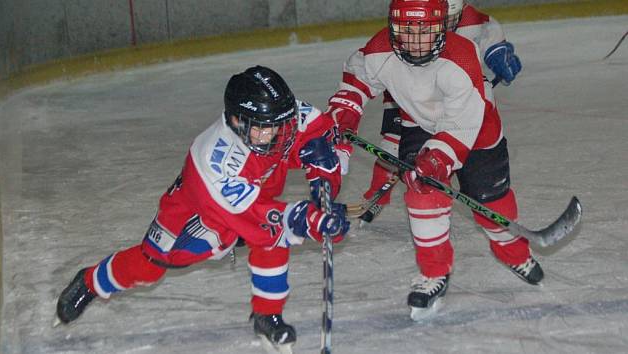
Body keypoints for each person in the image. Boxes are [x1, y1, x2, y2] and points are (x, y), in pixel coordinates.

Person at [55, 65, 350, 351]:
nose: (276, 134)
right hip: (198, 211)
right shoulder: (216, 162)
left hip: (254, 198)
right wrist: (311, 220)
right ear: (237, 122)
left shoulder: (278, 117)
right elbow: (260, 219)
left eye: (280, 123)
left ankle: (266, 314)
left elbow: (316, 131)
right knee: (152, 265)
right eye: (265, 127)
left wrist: (323, 172)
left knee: (271, 242)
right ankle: (91, 281)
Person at [326, 0, 542, 320]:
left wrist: (438, 160)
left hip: (478, 130)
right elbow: (356, 81)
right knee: (423, 195)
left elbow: (461, 124)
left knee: (491, 205)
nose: (414, 40)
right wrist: (343, 117)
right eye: (406, 29)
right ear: (391, 25)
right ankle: (434, 272)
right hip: (420, 126)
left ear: (442, 25)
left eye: (424, 29)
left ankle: (513, 252)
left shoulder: (461, 55)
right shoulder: (378, 50)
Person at [360, 0, 522, 223]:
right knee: (392, 144)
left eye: (449, 21)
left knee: (450, 150)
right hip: (409, 96)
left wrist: (501, 56)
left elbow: (493, 42)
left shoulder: (476, 23)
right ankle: (377, 197)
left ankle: (437, 197)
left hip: (455, 100)